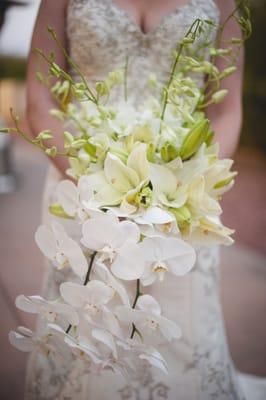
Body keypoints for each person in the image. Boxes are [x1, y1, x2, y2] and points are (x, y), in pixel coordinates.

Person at [25, 1, 253, 399]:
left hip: (181, 203)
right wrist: (94, 187)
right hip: (79, 186)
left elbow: (226, 108)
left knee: (180, 326)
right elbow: (40, 99)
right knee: (85, 325)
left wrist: (187, 183)